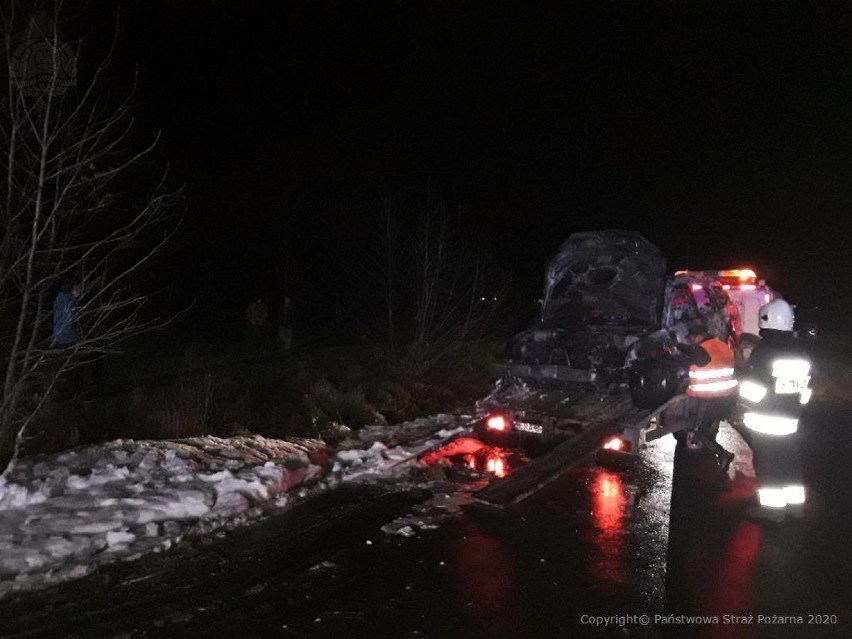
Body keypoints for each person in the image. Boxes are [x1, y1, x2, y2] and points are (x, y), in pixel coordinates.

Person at [736, 299, 810, 511]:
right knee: (789, 460)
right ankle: (796, 506)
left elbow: (754, 389)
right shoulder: (800, 351)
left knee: (768, 464)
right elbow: (805, 389)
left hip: (765, 421)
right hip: (791, 419)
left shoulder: (764, 352)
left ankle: (772, 510)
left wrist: (742, 402)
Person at [673, 324, 738, 471]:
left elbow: (695, 354)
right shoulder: (721, 345)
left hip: (712, 398)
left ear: (698, 337)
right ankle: (716, 449)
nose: (691, 343)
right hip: (728, 395)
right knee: (710, 424)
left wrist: (677, 345)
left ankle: (723, 454)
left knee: (699, 431)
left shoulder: (703, 349)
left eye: (692, 339)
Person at [51, 279, 78, 348]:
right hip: (65, 337)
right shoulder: (67, 303)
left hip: (60, 336)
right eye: (75, 289)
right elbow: (70, 319)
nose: (78, 291)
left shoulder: (61, 299)